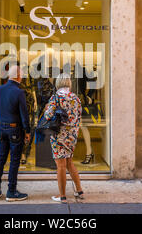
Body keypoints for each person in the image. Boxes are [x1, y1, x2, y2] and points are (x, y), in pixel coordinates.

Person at [0, 65, 31, 202]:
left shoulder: (0, 89)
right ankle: (11, 191)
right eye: (21, 75)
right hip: (15, 129)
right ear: (18, 76)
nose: (22, 77)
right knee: (14, 161)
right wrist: (28, 131)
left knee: (1, 159)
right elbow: (24, 115)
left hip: (2, 128)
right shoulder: (19, 92)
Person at [43, 73, 84, 203]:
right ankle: (79, 191)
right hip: (72, 136)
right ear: (69, 83)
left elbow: (48, 116)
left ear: (58, 83)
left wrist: (46, 109)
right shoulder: (75, 98)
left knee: (60, 165)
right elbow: (79, 116)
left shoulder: (56, 98)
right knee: (70, 162)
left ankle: (62, 196)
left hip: (58, 135)